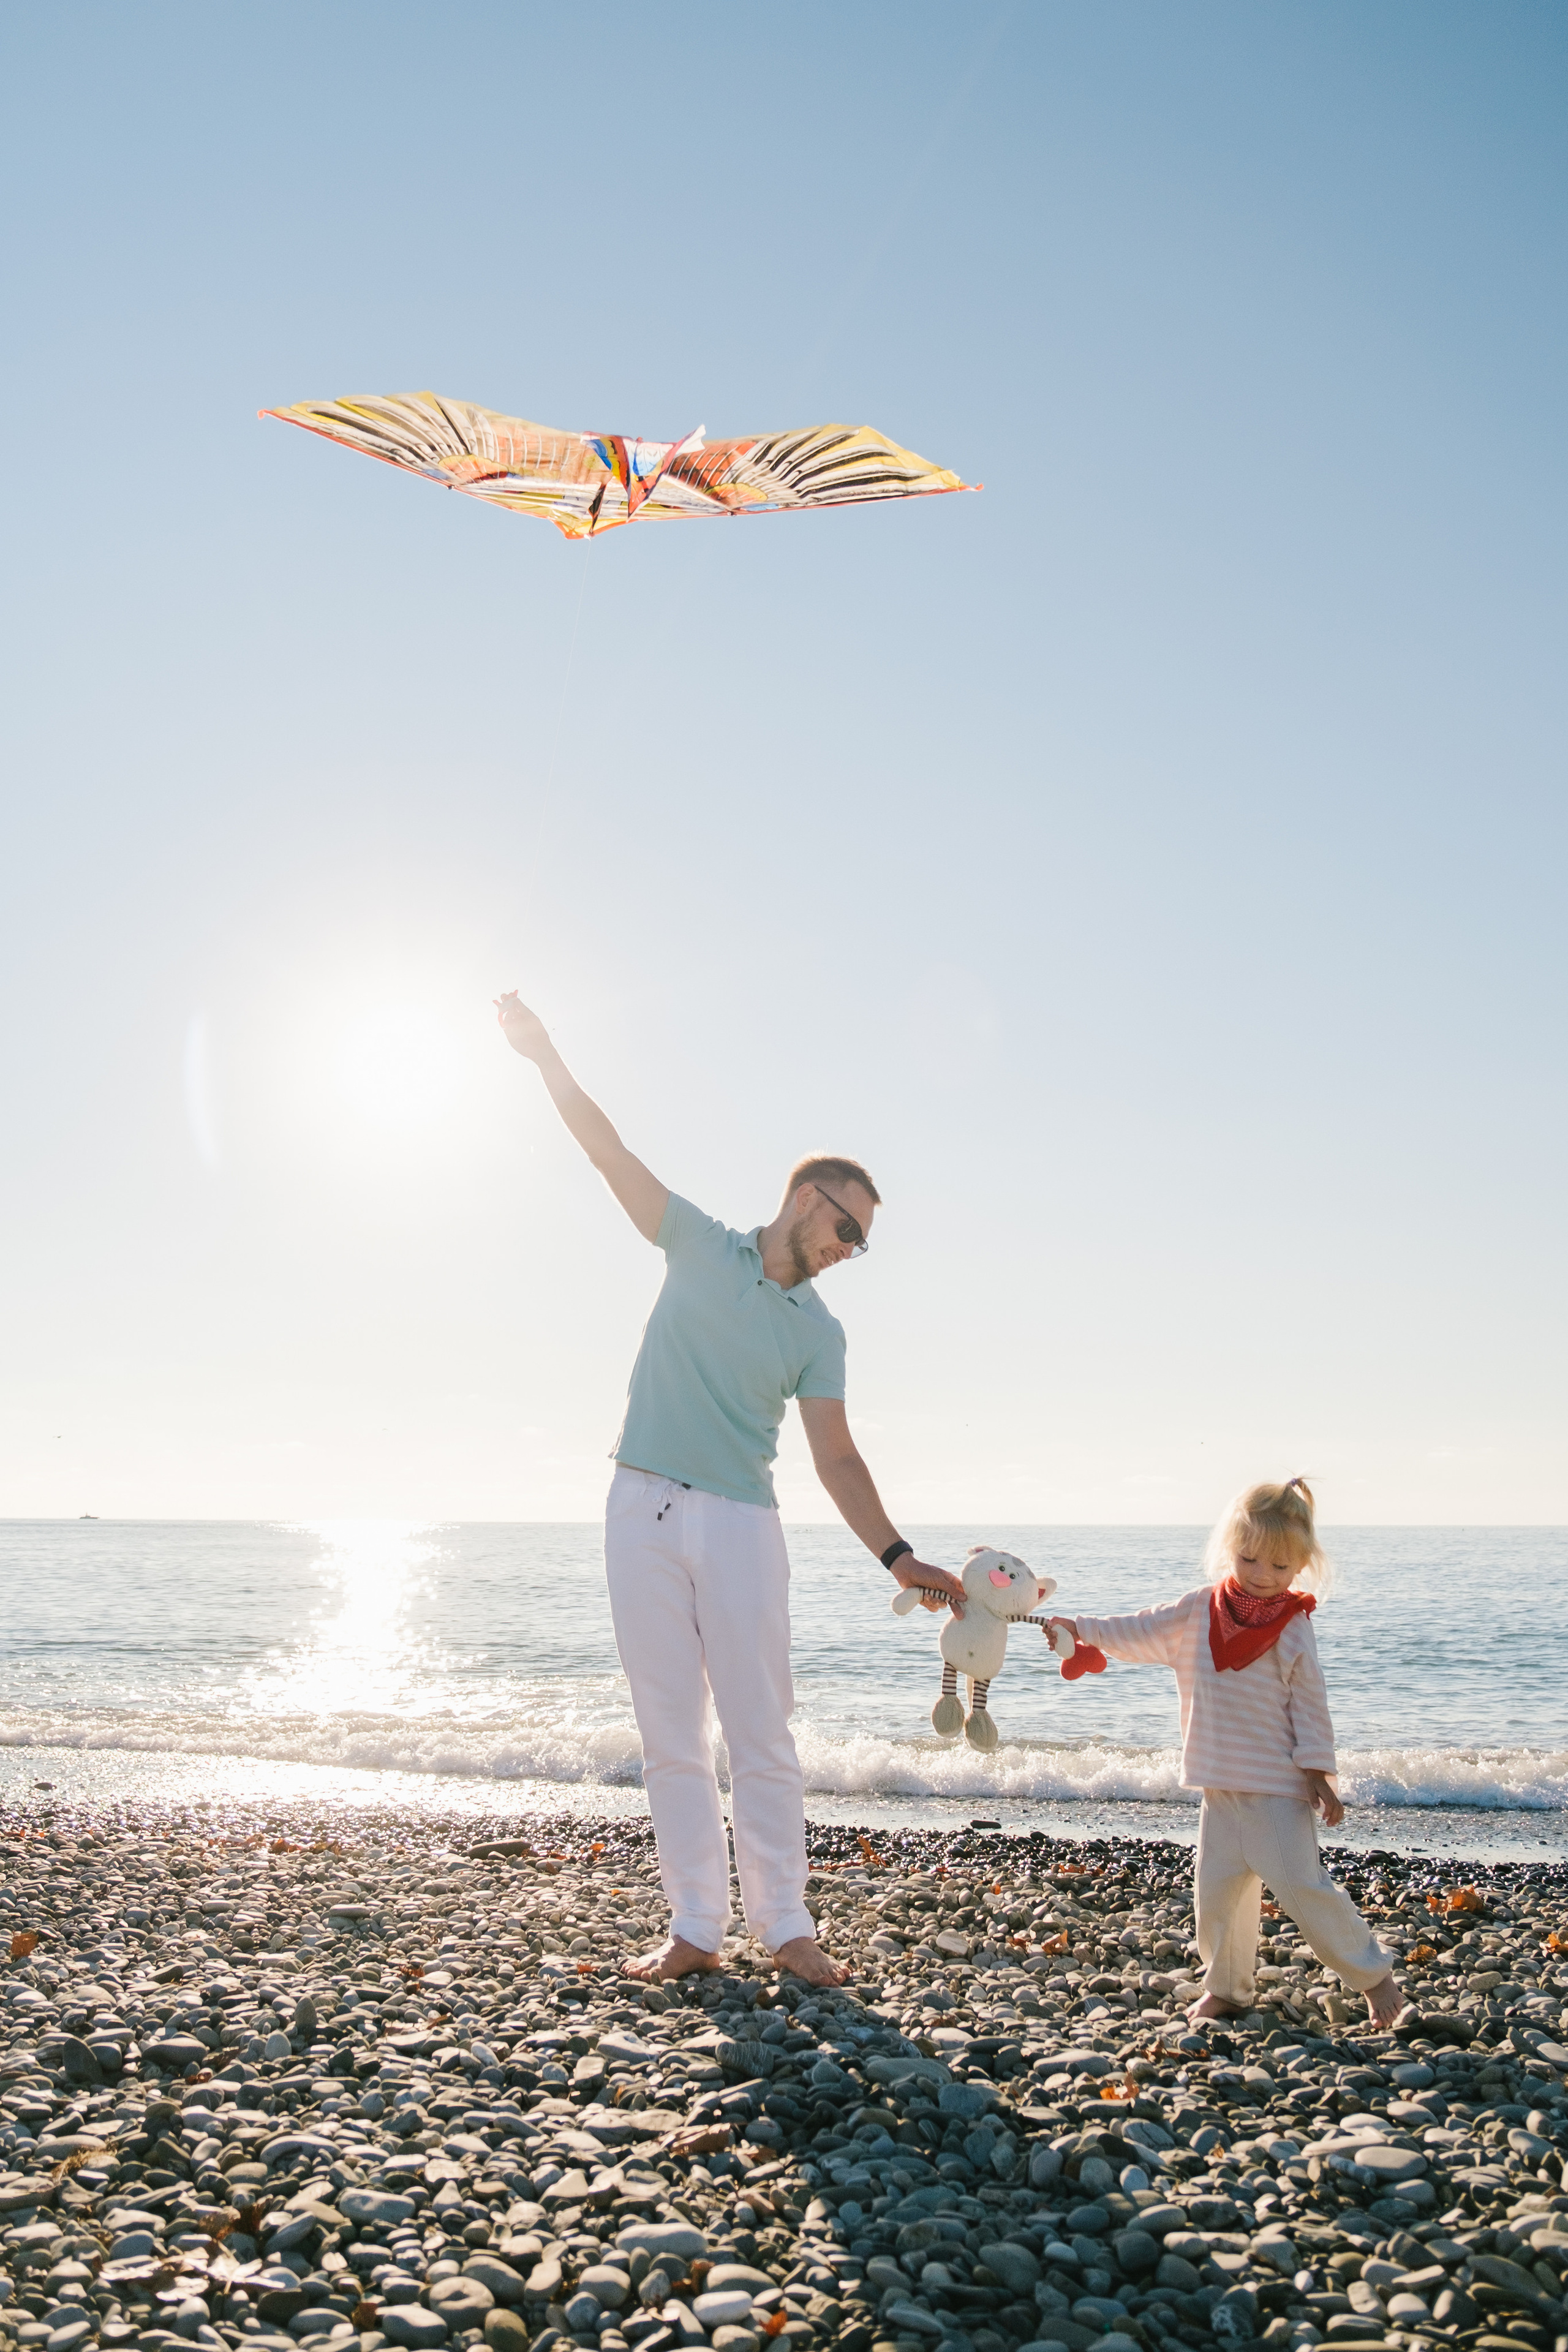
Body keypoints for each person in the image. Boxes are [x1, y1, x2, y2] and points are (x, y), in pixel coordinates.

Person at [495, 990, 965, 1989]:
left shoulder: (819, 1332)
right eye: (848, 1227)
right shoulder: (697, 1243)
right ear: (806, 1199)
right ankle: (694, 1928)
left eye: (863, 1242)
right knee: (671, 1732)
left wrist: (897, 1555)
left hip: (743, 1525)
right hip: (641, 1511)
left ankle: (787, 1925)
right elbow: (607, 1152)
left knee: (761, 1731)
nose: (850, 1250)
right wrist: (544, 1058)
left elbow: (837, 1457)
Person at [1048, 1478, 1402, 2029]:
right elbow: (1139, 1628)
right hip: (1219, 1786)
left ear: (1302, 1565)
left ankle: (1375, 1978)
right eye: (1249, 1558)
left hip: (1275, 1791)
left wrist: (1318, 1772)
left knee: (1305, 1892)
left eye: (1280, 1566)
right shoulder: (1199, 1610)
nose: (1262, 1574)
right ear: (1229, 1548)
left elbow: (1310, 1702)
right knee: (1218, 1900)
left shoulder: (1292, 1626)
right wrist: (1082, 1628)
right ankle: (1228, 1989)